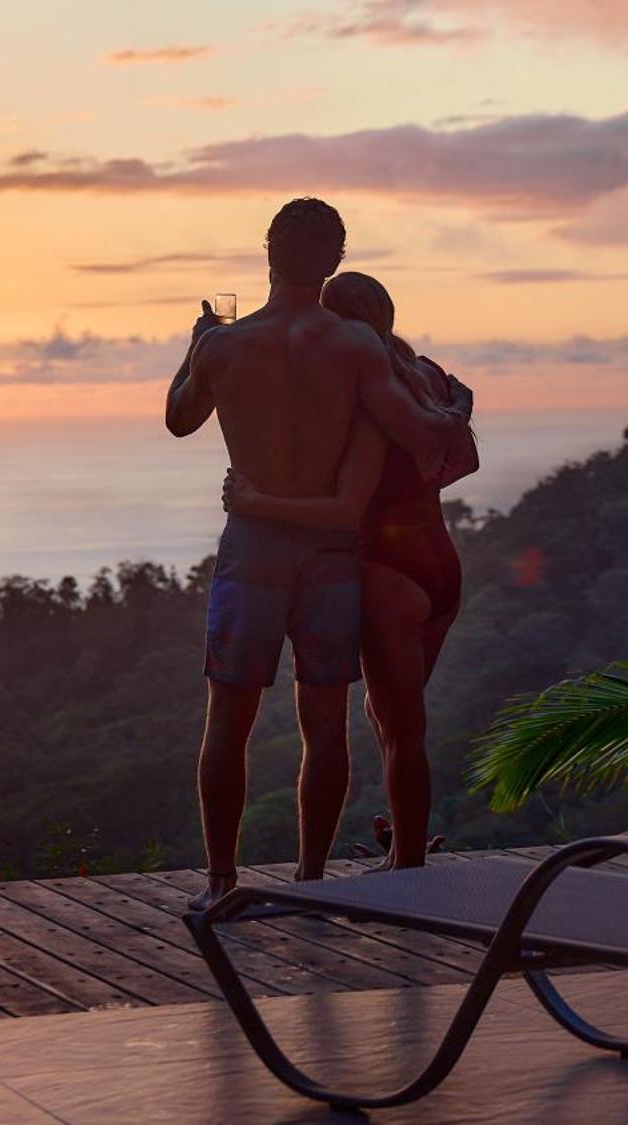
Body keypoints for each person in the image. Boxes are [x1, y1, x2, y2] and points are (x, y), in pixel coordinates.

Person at [166, 200, 460, 910]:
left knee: (227, 720)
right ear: (333, 259)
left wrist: (198, 340)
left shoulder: (224, 348)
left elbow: (179, 419)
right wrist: (451, 408)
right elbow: (417, 430)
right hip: (329, 552)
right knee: (324, 721)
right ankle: (310, 879)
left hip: (254, 547)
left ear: (268, 250)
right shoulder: (355, 346)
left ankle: (220, 881)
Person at [222, 271, 475, 872]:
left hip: (387, 568)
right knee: (394, 716)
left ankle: (408, 863)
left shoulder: (367, 389)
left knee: (399, 724)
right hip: (438, 560)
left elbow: (346, 503)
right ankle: (407, 851)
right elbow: (460, 462)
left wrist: (257, 502)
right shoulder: (429, 376)